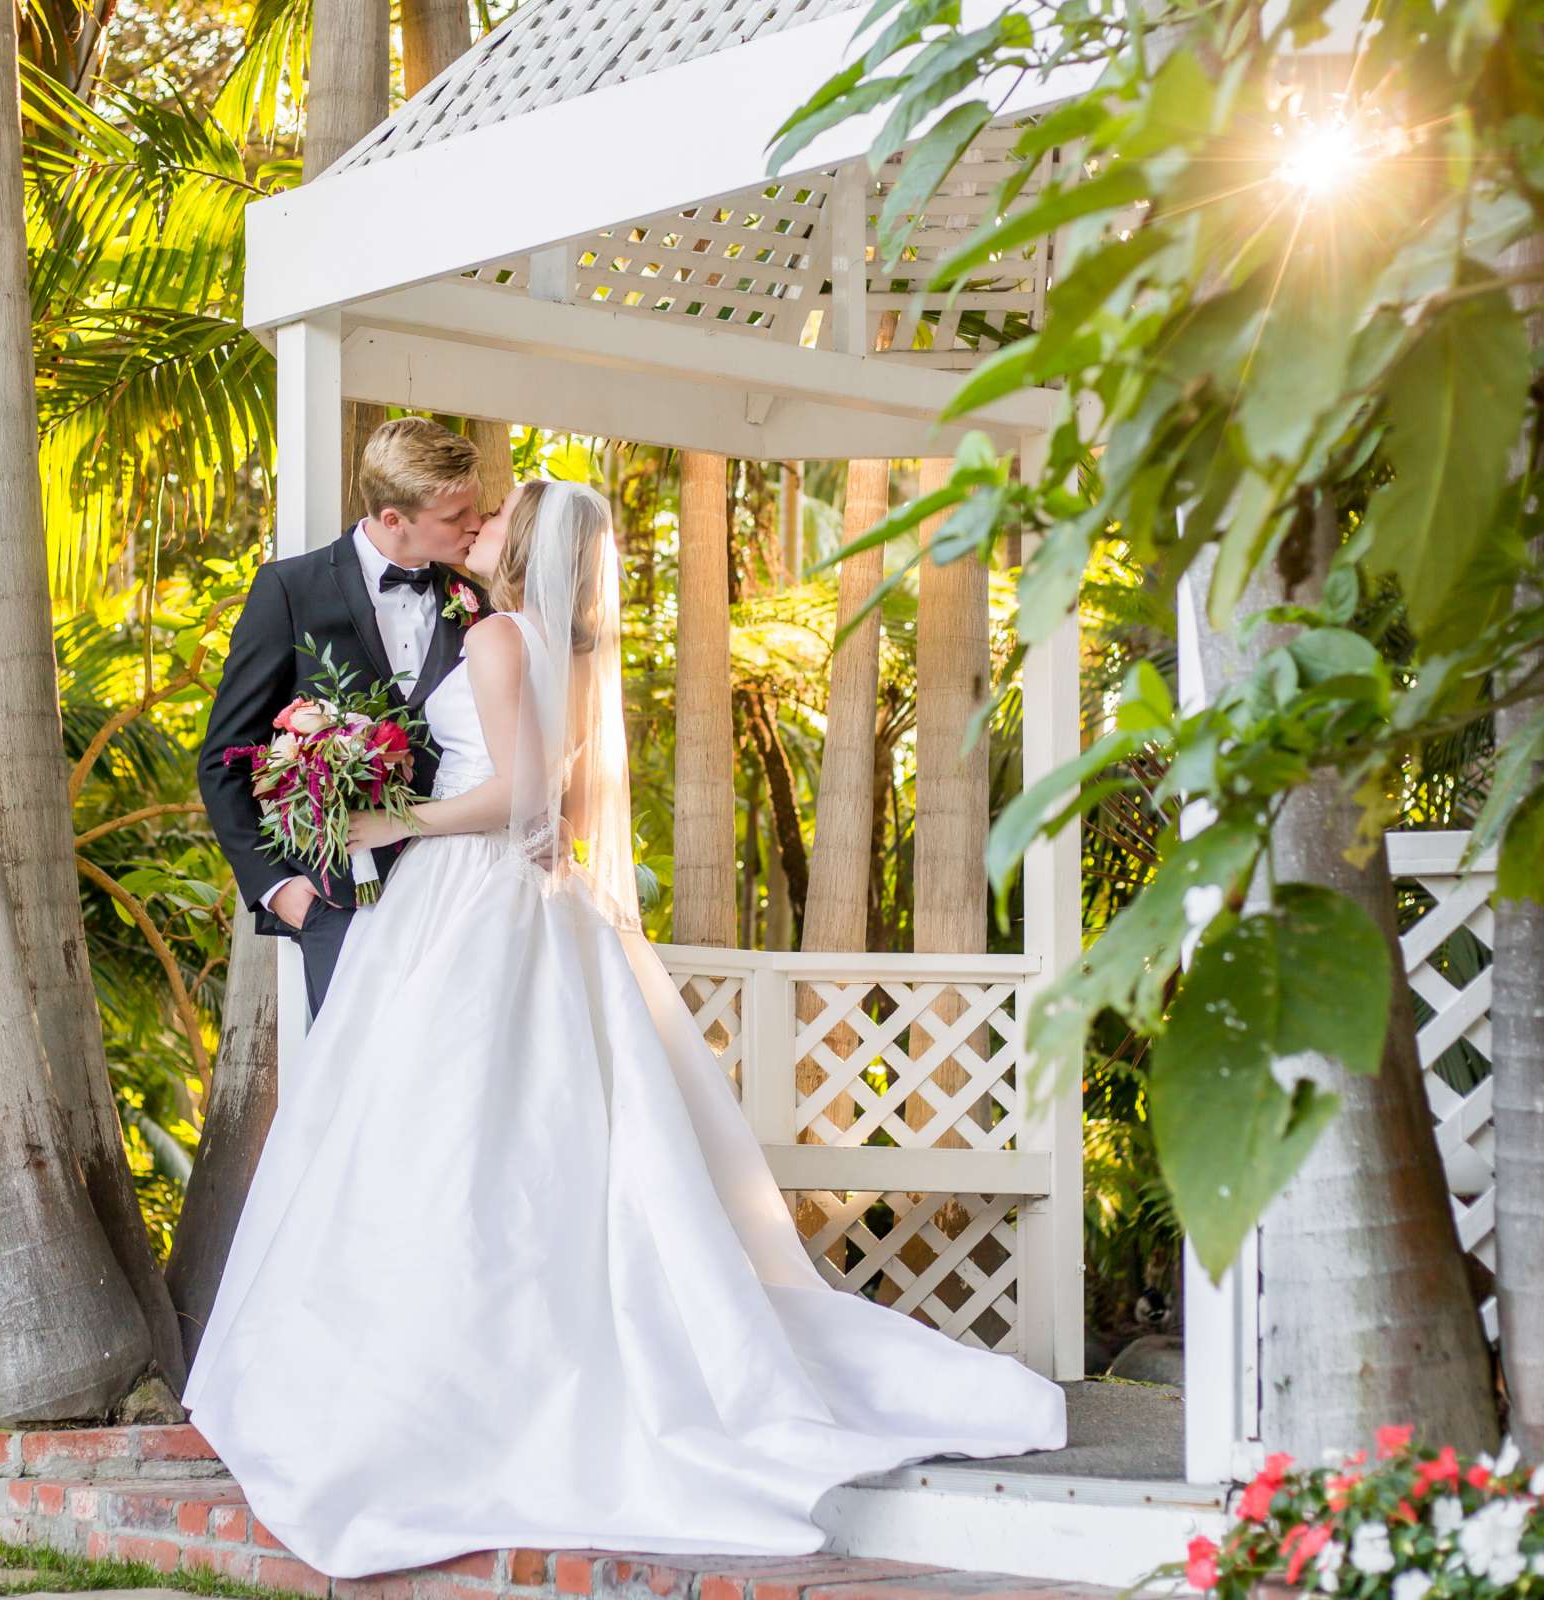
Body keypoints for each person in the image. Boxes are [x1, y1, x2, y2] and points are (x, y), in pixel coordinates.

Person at [182, 478, 1065, 1578]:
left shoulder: (500, 633)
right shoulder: (546, 640)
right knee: (495, 1142)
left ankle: (433, 1395)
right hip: (501, 904)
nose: (483, 523)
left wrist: (382, 815)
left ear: (528, 543)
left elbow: (515, 798)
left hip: (464, 895)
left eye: (500, 516)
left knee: (445, 1145)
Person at [195, 416, 487, 1013]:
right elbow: (226, 756)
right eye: (455, 517)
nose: (474, 526)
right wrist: (281, 892)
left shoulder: (477, 603)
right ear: (392, 520)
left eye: (474, 510)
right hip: (338, 903)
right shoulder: (289, 590)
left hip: (459, 894)